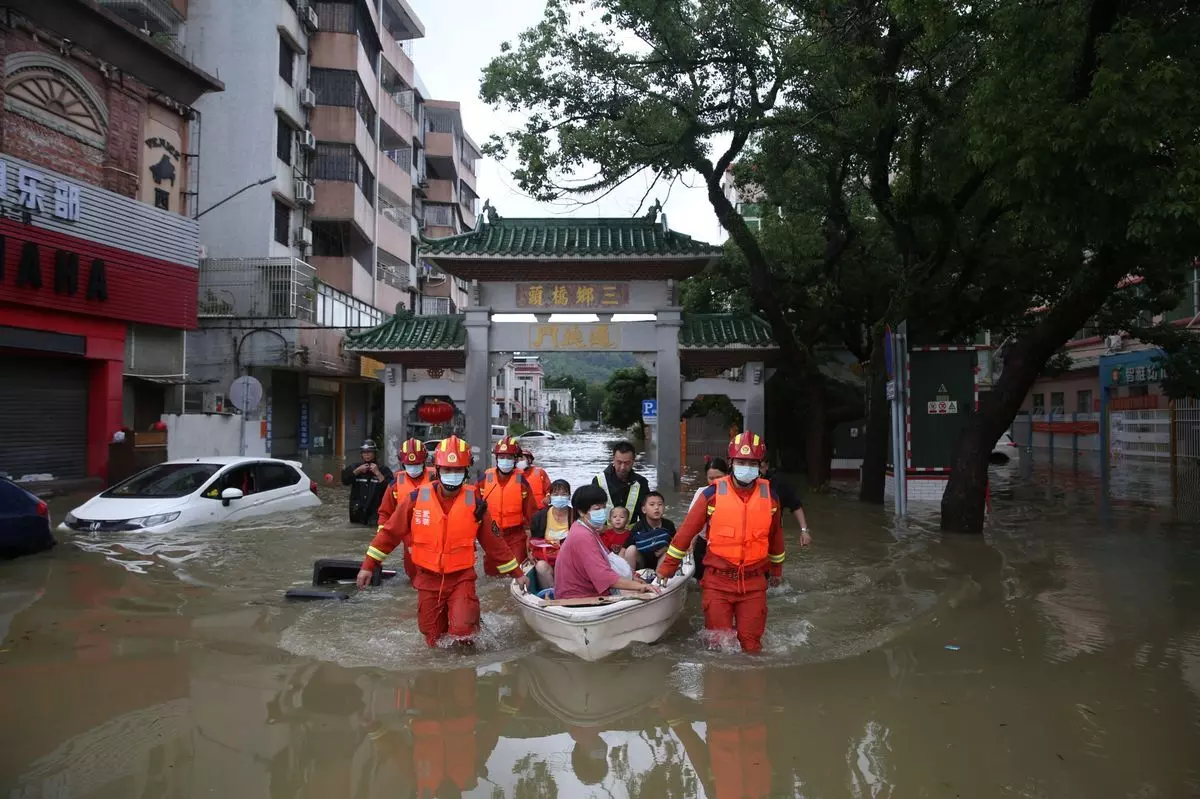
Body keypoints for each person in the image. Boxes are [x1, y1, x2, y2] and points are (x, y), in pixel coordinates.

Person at [356, 436, 528, 647]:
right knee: (432, 637)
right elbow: (389, 534)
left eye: (457, 470)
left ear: (466, 471)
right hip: (428, 578)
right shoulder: (415, 499)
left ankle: (467, 640)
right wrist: (368, 566)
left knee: (463, 633)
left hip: (461, 577)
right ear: (436, 469)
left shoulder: (476, 503)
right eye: (447, 470)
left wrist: (518, 574)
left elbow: (494, 544)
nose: (452, 475)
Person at [657, 431, 785, 653]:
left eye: (752, 463)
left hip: (754, 584)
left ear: (760, 466)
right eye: (742, 462)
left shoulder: (770, 498)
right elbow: (685, 535)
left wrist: (776, 572)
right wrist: (666, 569)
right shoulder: (711, 494)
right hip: (718, 582)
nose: (746, 467)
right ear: (731, 463)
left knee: (752, 646)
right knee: (717, 646)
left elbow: (775, 538)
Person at [554, 484, 661, 600]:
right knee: (646, 593)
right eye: (596, 509)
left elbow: (608, 558)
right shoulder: (582, 536)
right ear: (581, 512)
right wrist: (640, 587)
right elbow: (603, 576)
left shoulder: (586, 528)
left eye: (604, 507)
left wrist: (633, 578)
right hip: (579, 596)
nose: (602, 512)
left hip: (585, 590)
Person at [376, 437, 437, 582]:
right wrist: (382, 538)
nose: (413, 468)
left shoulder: (436, 477)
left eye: (416, 463)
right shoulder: (396, 483)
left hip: (433, 534)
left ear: (424, 461)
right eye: (409, 464)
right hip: (408, 538)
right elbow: (385, 512)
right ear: (402, 463)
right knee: (413, 576)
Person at [479, 436, 538, 576]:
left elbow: (531, 512)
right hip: (492, 535)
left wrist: (533, 542)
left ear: (516, 459)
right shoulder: (484, 478)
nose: (505, 460)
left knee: (516, 573)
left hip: (515, 535)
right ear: (497, 458)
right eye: (502, 457)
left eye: (509, 457)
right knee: (492, 575)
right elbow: (471, 506)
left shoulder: (522, 482)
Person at [688, 457, 730, 581]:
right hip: (704, 544)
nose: (714, 482)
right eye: (711, 478)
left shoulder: (735, 496)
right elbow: (692, 524)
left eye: (719, 478)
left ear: (727, 475)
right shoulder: (702, 493)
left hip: (727, 547)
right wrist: (690, 545)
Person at [593, 440, 651, 525]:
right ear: (613, 459)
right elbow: (592, 511)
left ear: (633, 461)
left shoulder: (641, 483)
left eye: (627, 463)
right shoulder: (598, 480)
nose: (623, 467)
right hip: (605, 535)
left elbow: (645, 515)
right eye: (619, 462)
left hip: (631, 535)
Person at [529, 479, 575, 588]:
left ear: (569, 496)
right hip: (547, 558)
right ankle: (551, 594)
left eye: (564, 494)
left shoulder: (576, 516)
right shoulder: (539, 517)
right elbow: (534, 540)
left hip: (570, 560)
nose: (560, 497)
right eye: (556, 494)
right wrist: (529, 552)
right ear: (550, 496)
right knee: (540, 566)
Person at [759, 460, 813, 547]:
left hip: (772, 536)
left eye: (760, 466)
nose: (756, 470)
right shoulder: (737, 483)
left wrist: (804, 530)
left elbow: (796, 505)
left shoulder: (778, 483)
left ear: (767, 466)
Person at [342, 439, 394, 525]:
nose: (367, 454)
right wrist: (357, 471)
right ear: (361, 454)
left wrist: (378, 473)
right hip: (357, 514)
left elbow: (390, 490)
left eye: (369, 452)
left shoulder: (384, 470)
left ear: (374, 453)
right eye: (364, 452)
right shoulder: (354, 467)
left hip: (375, 514)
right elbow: (345, 481)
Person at [629, 491, 676, 570]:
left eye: (660, 504)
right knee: (631, 549)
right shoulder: (638, 527)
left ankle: (659, 577)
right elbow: (624, 549)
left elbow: (677, 544)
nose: (656, 507)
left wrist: (667, 548)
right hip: (642, 563)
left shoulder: (669, 525)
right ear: (644, 510)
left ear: (664, 507)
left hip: (661, 562)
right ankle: (631, 576)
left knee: (668, 552)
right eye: (652, 505)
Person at [599, 505, 639, 572]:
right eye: (614, 517)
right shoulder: (606, 534)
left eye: (622, 517)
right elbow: (604, 551)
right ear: (610, 520)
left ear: (627, 521)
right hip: (610, 563)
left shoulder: (630, 534)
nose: (618, 519)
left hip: (626, 563)